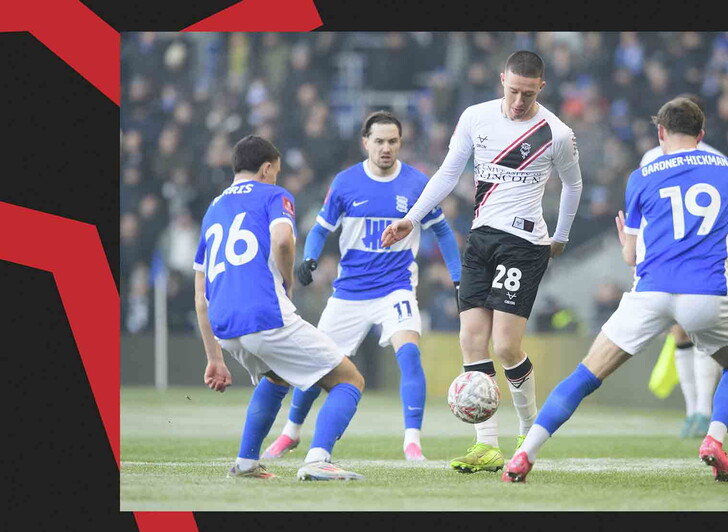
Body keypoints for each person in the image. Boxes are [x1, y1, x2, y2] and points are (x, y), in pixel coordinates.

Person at [503, 97, 728, 483]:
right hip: (707, 292)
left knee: (584, 374)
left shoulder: (641, 176)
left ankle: (524, 454)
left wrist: (627, 242)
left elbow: (631, 255)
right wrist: (725, 256)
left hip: (652, 292)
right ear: (701, 134)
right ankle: (713, 438)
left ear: (661, 132)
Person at [380, 50, 584, 474]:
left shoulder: (556, 132)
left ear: (541, 88)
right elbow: (448, 172)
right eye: (512, 91)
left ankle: (529, 433)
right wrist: (411, 220)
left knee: (506, 346)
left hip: (525, 242)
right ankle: (486, 445)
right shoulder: (475, 117)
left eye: (527, 94)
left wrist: (560, 237)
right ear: (501, 80)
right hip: (481, 239)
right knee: (472, 339)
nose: (518, 102)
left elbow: (573, 184)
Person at [261, 111, 462, 462]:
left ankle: (412, 442)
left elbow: (442, 231)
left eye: (393, 141)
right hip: (349, 292)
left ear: (401, 143)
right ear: (365, 142)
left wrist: (458, 276)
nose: (386, 148)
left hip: (396, 287)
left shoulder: (417, 183)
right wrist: (309, 258)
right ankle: (291, 432)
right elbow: (322, 228)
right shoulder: (345, 183)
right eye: (379, 141)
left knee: (410, 355)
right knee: (316, 365)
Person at [194, 135, 366, 481]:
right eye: (276, 172)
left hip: (224, 325)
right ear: (267, 168)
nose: (275, 177)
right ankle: (318, 460)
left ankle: (245, 463)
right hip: (264, 314)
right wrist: (287, 281)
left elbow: (200, 294)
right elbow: (284, 239)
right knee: (349, 379)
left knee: (277, 376)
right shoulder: (274, 194)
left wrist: (214, 357)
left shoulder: (214, 208)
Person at [640, 94, 728, 438]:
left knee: (692, 334)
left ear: (661, 130)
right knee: (694, 334)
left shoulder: (652, 159)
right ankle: (696, 411)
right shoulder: (720, 161)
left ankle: (699, 410)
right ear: (700, 130)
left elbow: (645, 222)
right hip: (708, 265)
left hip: (666, 267)